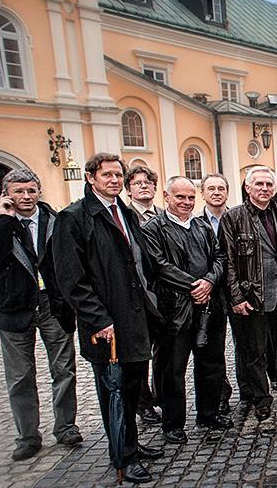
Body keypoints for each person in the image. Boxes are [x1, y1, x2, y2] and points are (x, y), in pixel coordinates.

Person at [53, 153, 163, 484]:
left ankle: (131, 443)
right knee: (113, 392)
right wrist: (98, 320)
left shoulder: (123, 212)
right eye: (107, 175)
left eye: (118, 175)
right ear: (91, 178)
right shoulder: (74, 218)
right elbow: (71, 278)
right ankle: (123, 457)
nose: (114, 180)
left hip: (133, 317)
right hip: (106, 324)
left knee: (131, 387)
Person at [0, 169, 81, 461]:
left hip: (53, 304)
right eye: (19, 192)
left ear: (39, 191)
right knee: (20, 375)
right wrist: (5, 221)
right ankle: (27, 436)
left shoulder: (54, 219)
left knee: (63, 369)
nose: (26, 197)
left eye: (31, 190)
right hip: (14, 306)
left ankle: (66, 427)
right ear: (6, 194)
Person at [142, 176, 231, 445]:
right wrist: (194, 285)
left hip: (209, 307)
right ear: (166, 197)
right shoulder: (153, 228)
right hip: (174, 311)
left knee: (211, 363)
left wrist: (209, 282)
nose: (186, 202)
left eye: (191, 197)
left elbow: (219, 258)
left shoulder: (203, 226)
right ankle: (173, 423)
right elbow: (159, 264)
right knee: (172, 369)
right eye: (180, 197)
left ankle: (208, 413)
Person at [219, 166, 277, 421]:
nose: (265, 189)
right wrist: (236, 297)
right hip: (254, 294)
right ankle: (261, 398)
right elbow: (228, 261)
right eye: (259, 184)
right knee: (255, 350)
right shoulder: (233, 218)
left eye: (269, 185)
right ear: (247, 188)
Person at [125, 165, 164, 424]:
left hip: (164, 295)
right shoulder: (124, 216)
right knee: (139, 354)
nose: (144, 186)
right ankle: (143, 402)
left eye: (148, 182)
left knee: (163, 350)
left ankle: (161, 396)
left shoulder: (163, 215)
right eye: (138, 183)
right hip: (137, 295)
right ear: (129, 188)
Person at [198, 173, 235, 414]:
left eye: (221, 188)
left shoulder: (236, 217)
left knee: (246, 346)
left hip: (238, 289)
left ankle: (249, 390)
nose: (216, 192)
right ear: (203, 193)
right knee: (213, 348)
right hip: (211, 291)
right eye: (211, 188)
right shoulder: (196, 222)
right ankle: (220, 394)